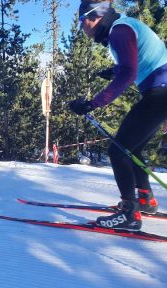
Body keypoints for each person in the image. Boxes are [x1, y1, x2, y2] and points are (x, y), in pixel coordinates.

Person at [69, 0, 167, 231]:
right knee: (132, 149)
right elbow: (137, 59)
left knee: (117, 150)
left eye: (82, 22)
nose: (82, 28)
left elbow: (128, 73)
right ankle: (145, 199)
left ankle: (129, 213)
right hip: (160, 91)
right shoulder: (121, 27)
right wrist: (113, 70)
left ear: (94, 17)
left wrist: (93, 103)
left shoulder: (119, 30)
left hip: (160, 91)